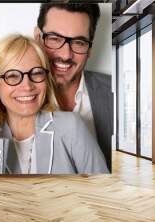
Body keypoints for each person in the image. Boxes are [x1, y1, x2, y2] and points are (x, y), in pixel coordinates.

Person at [0, 34, 108, 174]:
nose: (27, 86)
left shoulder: (72, 126)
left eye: (36, 73)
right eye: (12, 76)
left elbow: (104, 193)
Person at [33, 3, 113, 171]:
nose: (65, 55)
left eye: (79, 42)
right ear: (37, 38)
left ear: (90, 48)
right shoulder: (13, 96)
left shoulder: (115, 93)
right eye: (54, 39)